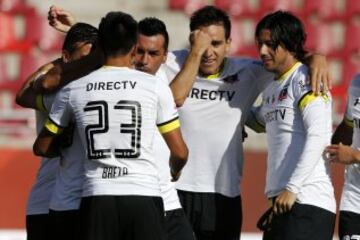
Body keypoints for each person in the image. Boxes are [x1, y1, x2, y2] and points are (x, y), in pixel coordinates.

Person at [43, 5, 331, 240]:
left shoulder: (252, 72)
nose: (208, 52)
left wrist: (316, 58)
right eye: (201, 42)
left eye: (216, 43)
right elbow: (123, 52)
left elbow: (288, 61)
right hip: (174, 192)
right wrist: (77, 28)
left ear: (229, 44)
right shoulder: (169, 62)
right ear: (191, 41)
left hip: (223, 194)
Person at [33, 11, 188, 240]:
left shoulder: (72, 90)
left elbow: (41, 147)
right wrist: (175, 170)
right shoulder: (154, 86)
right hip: (143, 195)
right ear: (134, 48)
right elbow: (180, 152)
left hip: (96, 196)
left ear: (100, 46)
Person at [250, 11, 336, 239]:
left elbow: (319, 135)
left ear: (289, 44)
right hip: (283, 203)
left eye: (270, 44)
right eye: (260, 44)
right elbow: (258, 121)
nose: (262, 51)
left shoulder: (306, 78)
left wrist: (292, 188)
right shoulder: (273, 86)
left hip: (307, 202)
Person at [16, 22, 98, 240]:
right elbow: (25, 93)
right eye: (84, 59)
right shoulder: (61, 94)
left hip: (88, 199)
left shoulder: (97, 90)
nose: (89, 67)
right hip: (48, 203)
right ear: (66, 57)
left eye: (94, 60)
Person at [325, 74, 360, 240]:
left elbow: (353, 154)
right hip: (354, 202)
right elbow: (349, 126)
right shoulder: (356, 84)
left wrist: (354, 155)